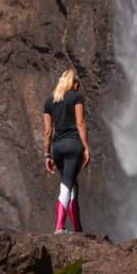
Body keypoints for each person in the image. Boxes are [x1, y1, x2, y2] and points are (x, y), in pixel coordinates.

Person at [42, 68, 91, 233]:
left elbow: (48, 132)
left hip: (57, 148)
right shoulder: (77, 97)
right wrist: (86, 146)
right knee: (67, 184)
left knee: (71, 184)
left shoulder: (49, 102)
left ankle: (77, 229)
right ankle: (59, 226)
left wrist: (47, 155)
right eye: (78, 84)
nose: (78, 88)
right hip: (73, 146)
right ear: (74, 83)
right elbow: (80, 123)